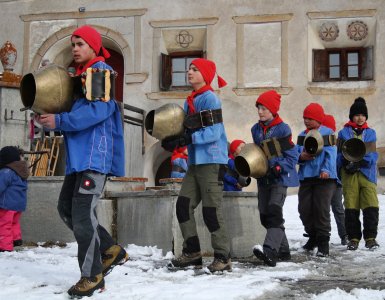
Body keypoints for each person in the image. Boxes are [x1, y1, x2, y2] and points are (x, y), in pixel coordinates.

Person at [35, 25, 128, 298]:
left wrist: (61, 120)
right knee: (67, 208)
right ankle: (109, 249)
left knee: (82, 215)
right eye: (73, 43)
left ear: (93, 47)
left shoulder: (99, 73)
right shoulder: (81, 76)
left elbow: (98, 111)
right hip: (79, 158)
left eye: (80, 44)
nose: (75, 48)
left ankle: (92, 276)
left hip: (94, 157)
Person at [162, 58, 231, 272]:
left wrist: (187, 140)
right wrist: (172, 138)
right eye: (189, 69)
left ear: (206, 75)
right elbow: (186, 130)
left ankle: (223, 257)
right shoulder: (190, 100)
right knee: (183, 205)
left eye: (195, 69)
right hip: (195, 162)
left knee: (211, 211)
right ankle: (192, 253)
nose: (189, 72)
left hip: (212, 160)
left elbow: (214, 133)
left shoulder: (210, 98)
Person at [249, 90, 299, 266]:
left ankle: (270, 251)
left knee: (274, 211)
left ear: (273, 110)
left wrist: (279, 166)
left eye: (264, 108)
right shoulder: (255, 129)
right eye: (259, 108)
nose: (260, 111)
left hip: (280, 178)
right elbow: (256, 154)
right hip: (263, 179)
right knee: (265, 215)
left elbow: (292, 156)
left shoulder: (283, 129)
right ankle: (284, 250)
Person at [337, 97, 380, 251]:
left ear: (366, 117)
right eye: (356, 115)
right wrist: (344, 166)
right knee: (351, 206)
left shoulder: (370, 133)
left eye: (362, 114)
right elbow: (340, 153)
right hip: (349, 174)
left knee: (371, 206)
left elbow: (373, 155)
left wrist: (361, 162)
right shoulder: (343, 133)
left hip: (367, 173)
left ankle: (370, 238)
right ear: (351, 117)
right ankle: (353, 238)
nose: (360, 118)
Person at [297, 103, 338, 257]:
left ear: (318, 119)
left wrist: (326, 169)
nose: (306, 121)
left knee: (321, 210)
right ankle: (312, 236)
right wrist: (301, 157)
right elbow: (297, 152)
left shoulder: (328, 133)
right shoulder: (302, 135)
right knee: (304, 209)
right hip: (307, 177)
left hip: (325, 179)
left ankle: (323, 243)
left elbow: (331, 154)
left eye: (310, 118)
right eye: (305, 118)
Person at [322, 114, 349, 246]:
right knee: (321, 209)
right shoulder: (319, 142)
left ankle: (344, 235)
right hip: (322, 182)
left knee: (337, 208)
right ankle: (317, 235)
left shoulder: (339, 143)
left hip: (336, 181)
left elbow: (340, 160)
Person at [0, 146, 29, 252]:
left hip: (6, 205)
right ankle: (16, 240)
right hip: (18, 205)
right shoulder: (21, 171)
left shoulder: (6, 172)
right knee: (14, 223)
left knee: (3, 225)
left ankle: (5, 247)